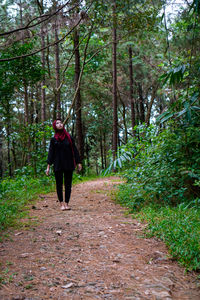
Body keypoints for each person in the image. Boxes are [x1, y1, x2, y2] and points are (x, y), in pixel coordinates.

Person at [46, 119, 82, 210]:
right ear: (55, 126)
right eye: (57, 123)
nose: (60, 124)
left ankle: (66, 203)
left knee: (68, 184)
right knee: (59, 184)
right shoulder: (53, 139)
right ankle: (61, 203)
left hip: (68, 164)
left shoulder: (69, 137)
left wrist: (78, 162)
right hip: (58, 165)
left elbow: (74, 150)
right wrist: (48, 166)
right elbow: (51, 153)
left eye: (61, 122)